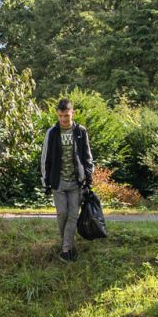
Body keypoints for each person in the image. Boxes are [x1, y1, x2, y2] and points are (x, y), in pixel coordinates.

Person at [40, 98, 95, 262]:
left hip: (76, 182)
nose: (64, 119)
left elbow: (87, 157)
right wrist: (45, 182)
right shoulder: (52, 133)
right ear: (57, 114)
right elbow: (45, 158)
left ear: (73, 113)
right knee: (62, 214)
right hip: (58, 181)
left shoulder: (80, 131)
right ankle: (66, 244)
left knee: (73, 215)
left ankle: (66, 249)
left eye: (67, 115)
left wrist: (88, 178)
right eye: (61, 116)